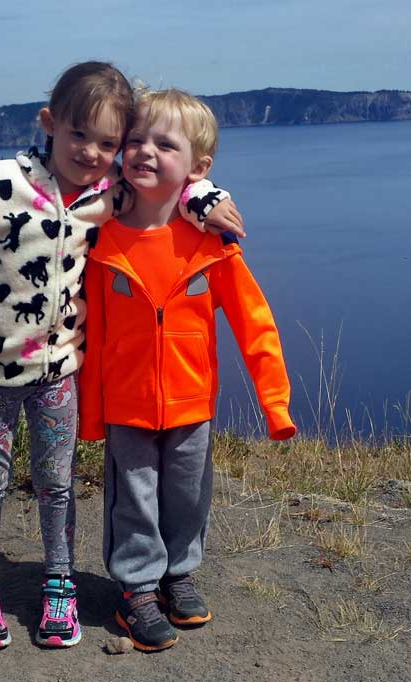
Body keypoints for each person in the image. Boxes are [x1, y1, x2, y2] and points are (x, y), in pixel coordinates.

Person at [0, 62, 243, 652]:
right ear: (49, 124)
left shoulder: (108, 195)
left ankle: (59, 584)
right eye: (78, 135)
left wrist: (205, 198)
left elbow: (167, 185)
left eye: (108, 143)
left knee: (58, 485)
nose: (92, 152)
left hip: (60, 373)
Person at [78, 87, 296, 652]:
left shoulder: (211, 244)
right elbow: (88, 328)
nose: (144, 151)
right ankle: (137, 589)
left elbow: (255, 324)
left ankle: (179, 573)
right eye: (135, 140)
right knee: (134, 497)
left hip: (191, 401)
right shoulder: (99, 237)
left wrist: (275, 403)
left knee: (187, 494)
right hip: (126, 403)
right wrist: (88, 408)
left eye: (164, 144)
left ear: (198, 168)